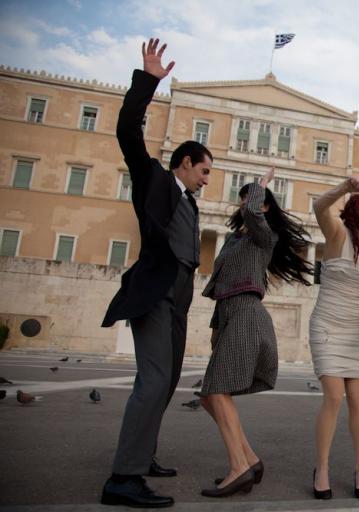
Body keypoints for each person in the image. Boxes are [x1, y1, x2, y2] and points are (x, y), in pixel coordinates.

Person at [100, 39, 211, 508]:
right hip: (156, 289)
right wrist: (147, 81)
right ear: (185, 162)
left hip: (181, 294)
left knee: (167, 380)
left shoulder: (190, 202)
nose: (207, 179)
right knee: (154, 377)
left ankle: (142, 455)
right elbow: (128, 131)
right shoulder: (155, 180)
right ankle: (123, 478)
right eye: (204, 170)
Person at [197, 168, 313, 497]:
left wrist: (261, 187)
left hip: (247, 312)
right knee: (208, 396)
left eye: (249, 199)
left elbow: (252, 212)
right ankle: (249, 459)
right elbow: (221, 284)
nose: (243, 204)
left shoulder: (265, 237)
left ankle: (239, 468)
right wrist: (216, 329)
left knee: (217, 391)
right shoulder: (236, 240)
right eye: (242, 199)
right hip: (229, 313)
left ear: (263, 206)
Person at [309, 177, 359, 500]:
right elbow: (319, 205)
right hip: (327, 325)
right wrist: (345, 187)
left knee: (358, 398)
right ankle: (322, 468)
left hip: (357, 330)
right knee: (334, 396)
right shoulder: (338, 233)